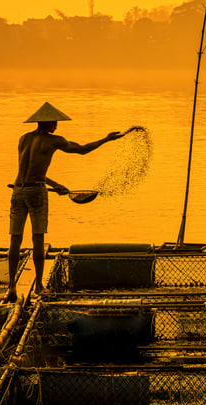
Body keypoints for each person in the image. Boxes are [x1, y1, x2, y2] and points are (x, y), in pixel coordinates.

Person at [7, 102, 126, 302]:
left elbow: (29, 172)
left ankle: (11, 287)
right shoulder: (54, 141)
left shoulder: (23, 139)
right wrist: (106, 139)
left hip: (18, 191)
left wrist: (57, 184)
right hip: (36, 193)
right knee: (38, 238)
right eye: (55, 122)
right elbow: (82, 150)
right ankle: (38, 285)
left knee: (15, 240)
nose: (57, 125)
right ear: (47, 122)